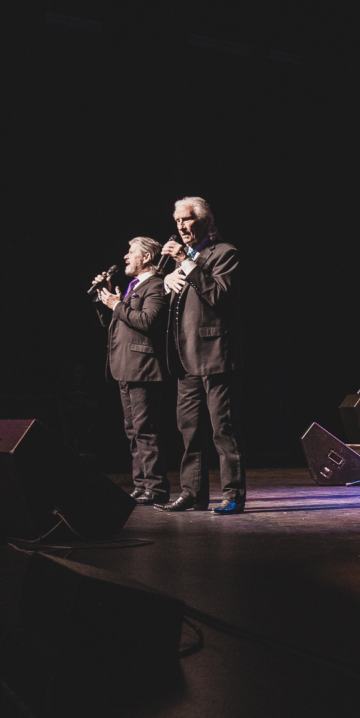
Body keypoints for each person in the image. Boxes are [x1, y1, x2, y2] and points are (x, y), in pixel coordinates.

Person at [158, 196, 247, 514]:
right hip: (186, 359)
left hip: (216, 355)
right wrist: (167, 282)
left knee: (223, 429)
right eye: (177, 220)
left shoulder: (225, 253)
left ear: (206, 220)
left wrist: (185, 262)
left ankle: (233, 493)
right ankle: (193, 493)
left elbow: (218, 296)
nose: (180, 226)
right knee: (189, 429)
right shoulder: (185, 261)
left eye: (187, 218)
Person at [93, 237, 171, 504]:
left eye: (131, 252)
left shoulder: (156, 286)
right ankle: (141, 485)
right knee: (133, 431)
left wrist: (117, 305)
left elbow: (149, 321)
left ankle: (157, 488)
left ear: (147, 257)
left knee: (145, 429)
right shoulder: (132, 286)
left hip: (144, 369)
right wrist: (106, 298)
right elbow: (116, 322)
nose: (126, 256)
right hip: (125, 368)